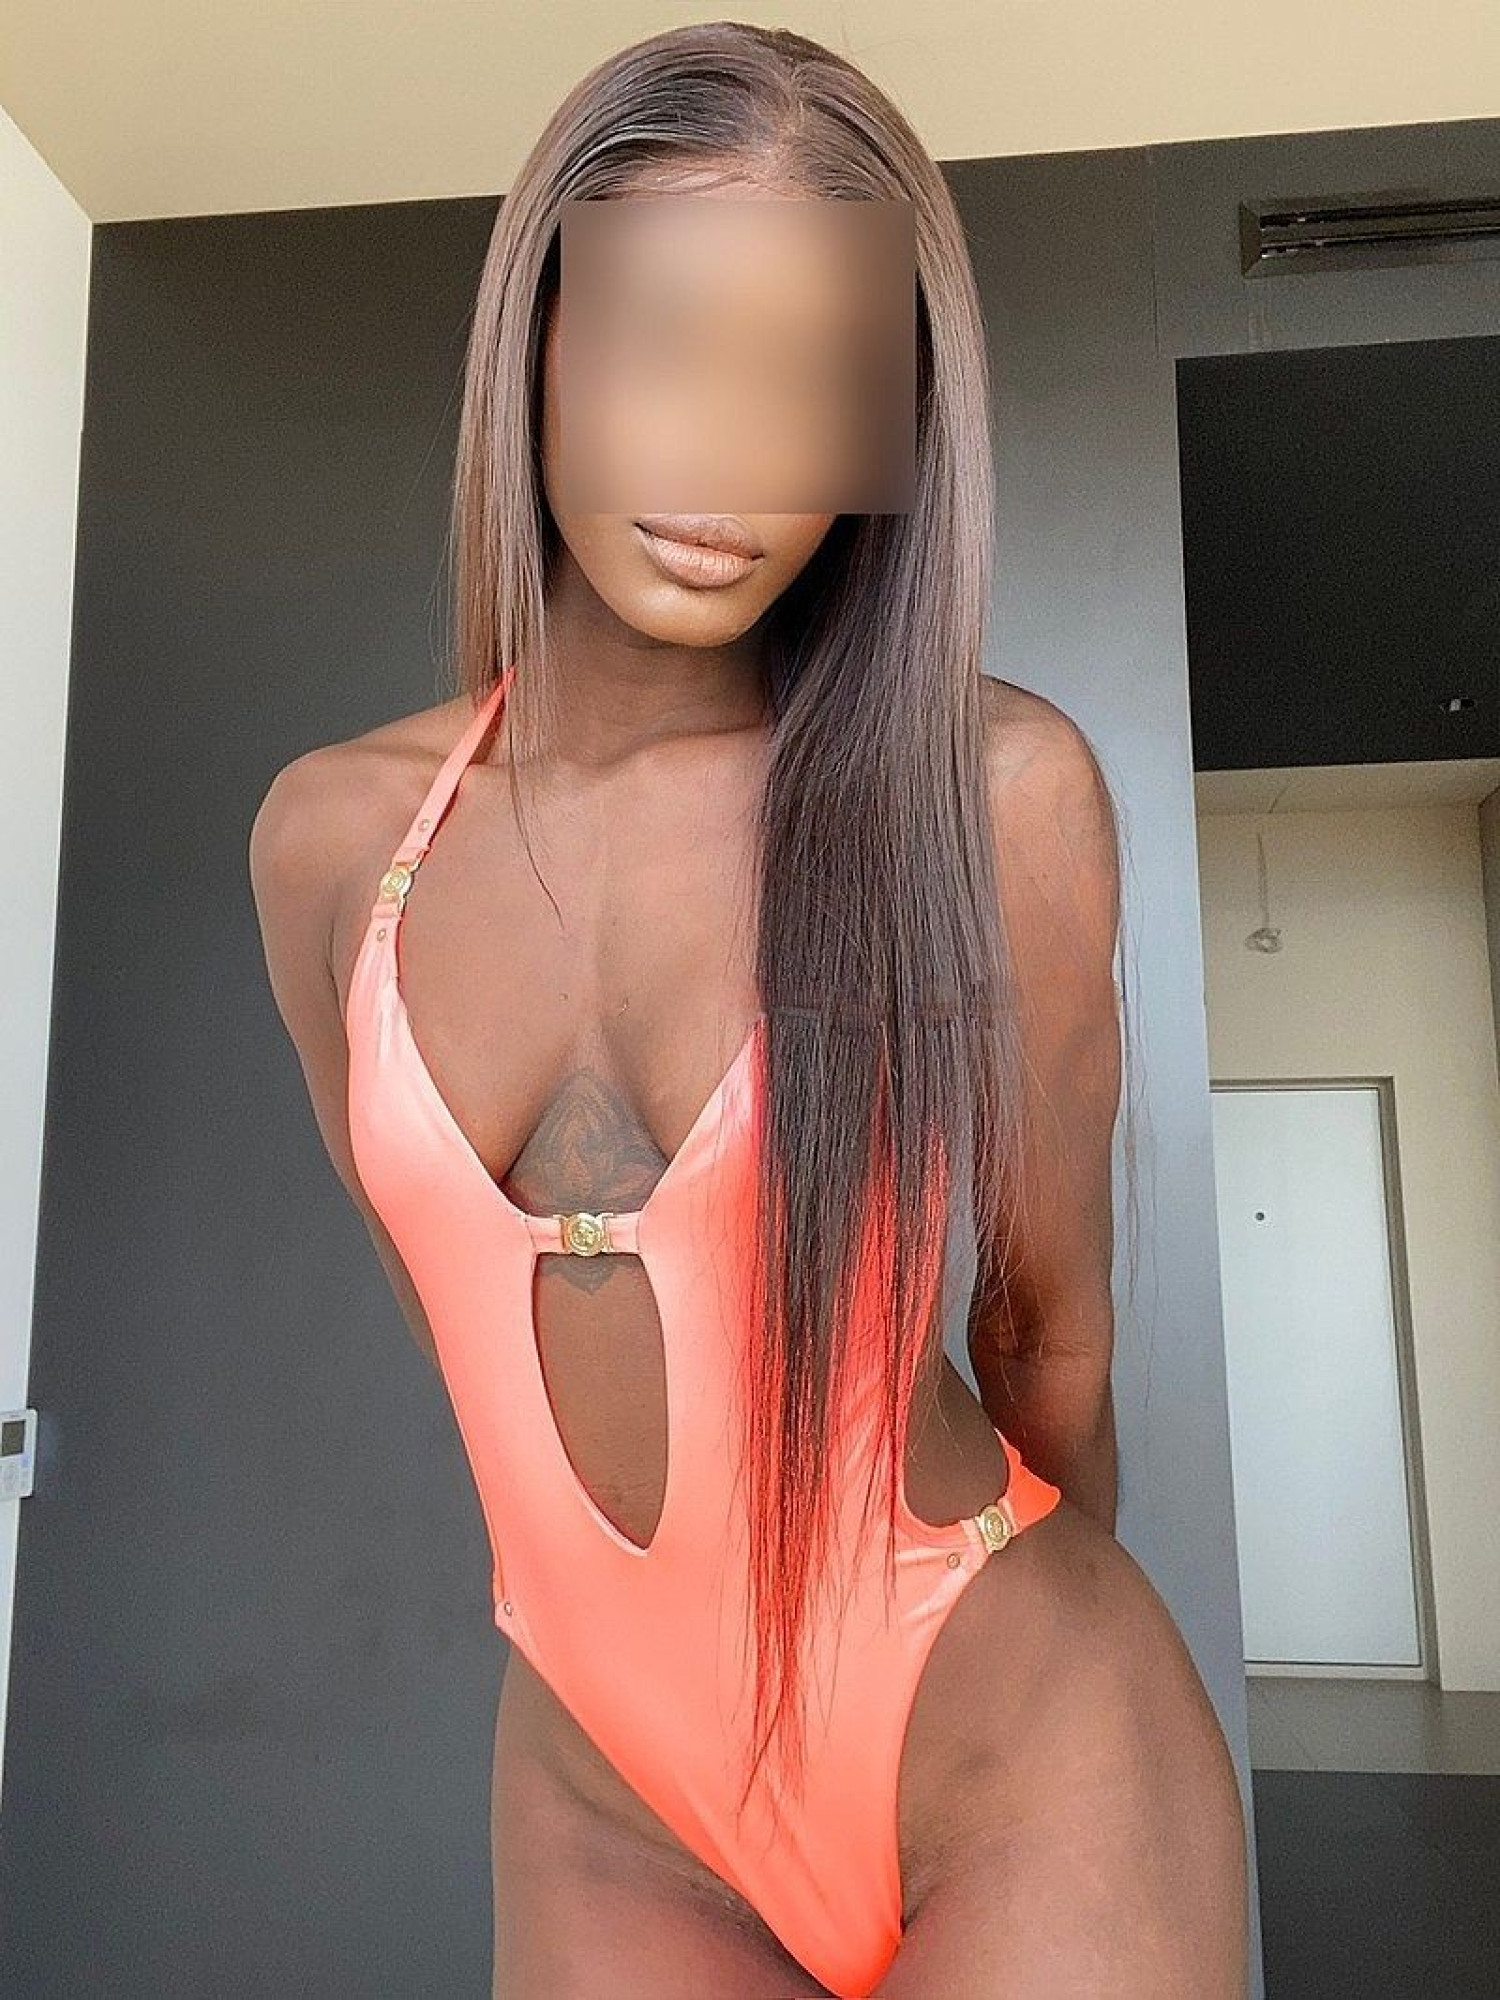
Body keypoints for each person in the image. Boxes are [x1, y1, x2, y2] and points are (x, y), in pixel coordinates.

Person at [251, 21, 1248, 1998]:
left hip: (1007, 1750)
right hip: (611, 1790)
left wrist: (950, 1670)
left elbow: (1046, 1325)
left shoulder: (990, 798)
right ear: (538, 340)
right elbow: (462, 1339)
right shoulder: (334, 843)